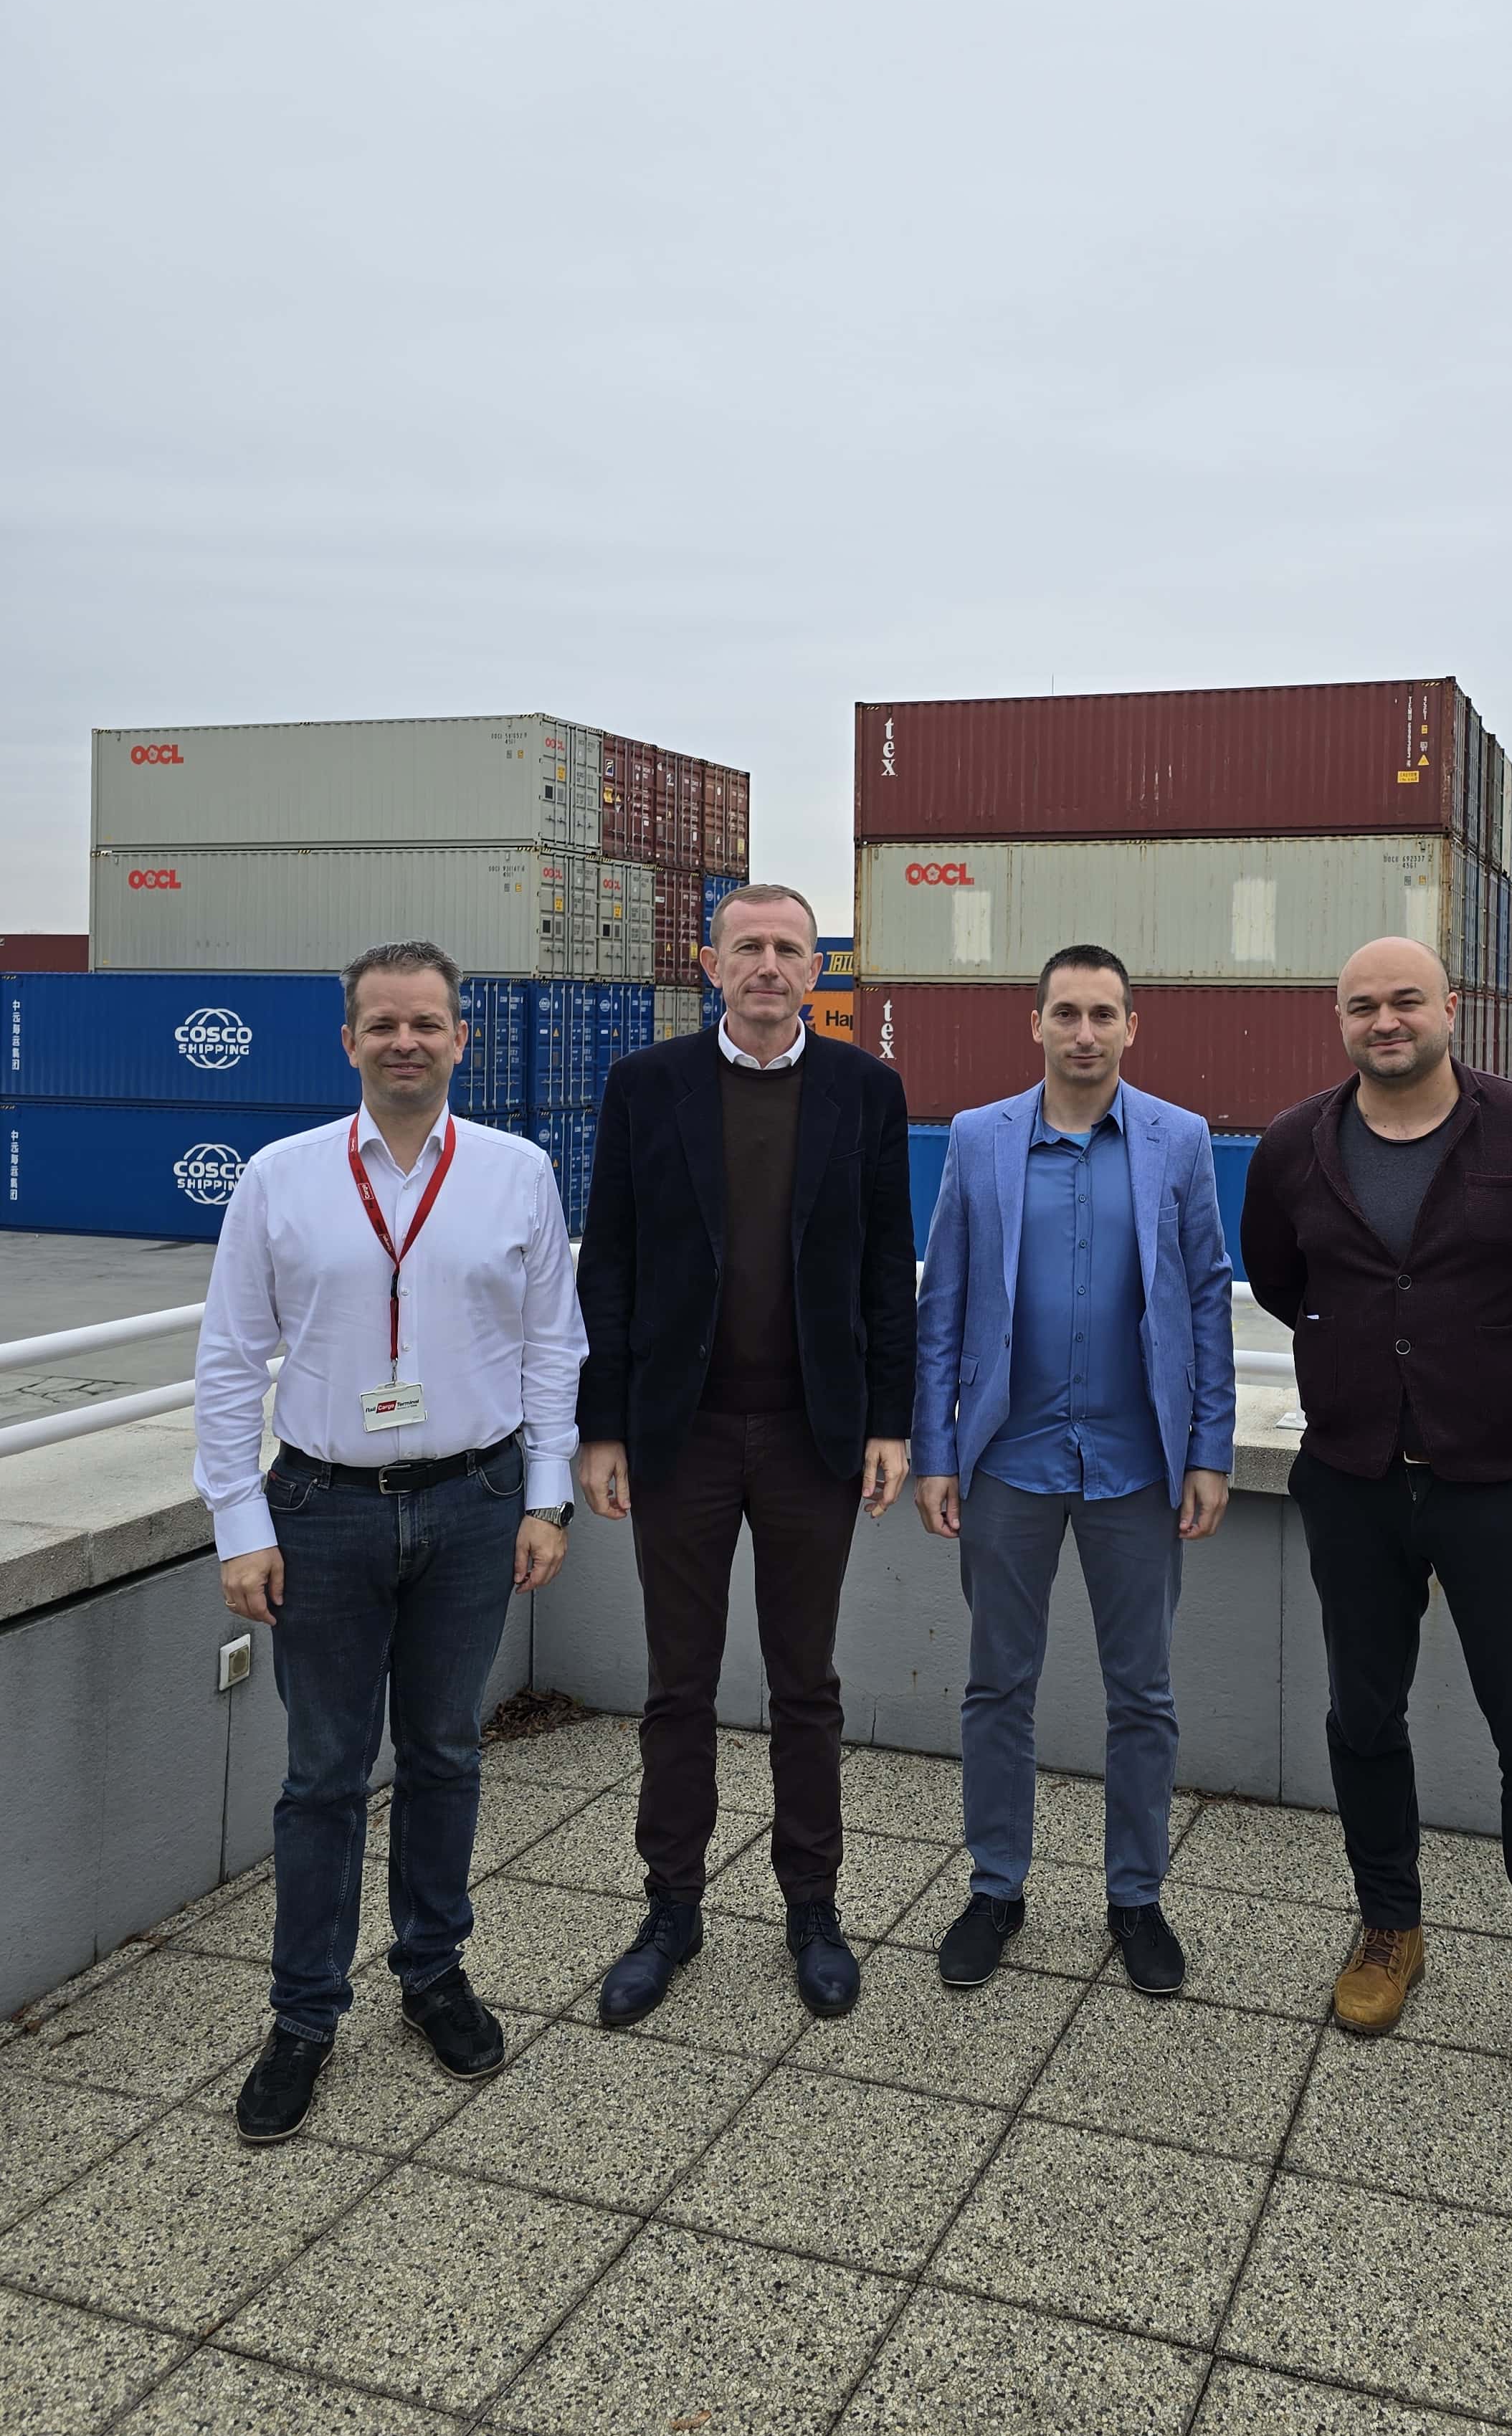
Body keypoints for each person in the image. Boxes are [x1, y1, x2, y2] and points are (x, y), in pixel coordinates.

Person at [194, 939, 584, 2143]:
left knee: (446, 1754)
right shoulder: (281, 1178)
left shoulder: (518, 1172)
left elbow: (552, 1347)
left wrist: (546, 1499)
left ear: (462, 1039)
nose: (405, 1042)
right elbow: (229, 1361)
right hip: (322, 1509)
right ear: (349, 1041)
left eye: (426, 1023)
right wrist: (239, 1524)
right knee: (322, 1775)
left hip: (474, 1504)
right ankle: (304, 2015)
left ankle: (432, 1973)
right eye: (383, 1025)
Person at [1240, 938, 1512, 2112]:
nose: (1386, 1021)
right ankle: (1389, 1925)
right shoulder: (1294, 1144)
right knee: (1363, 1714)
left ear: (1452, 1008)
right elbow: (1278, 1279)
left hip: (1497, 1480)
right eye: (1363, 1005)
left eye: (1406, 1000)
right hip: (1351, 1474)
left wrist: (1481, 1367)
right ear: (1339, 1020)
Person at [575, 883, 915, 2025]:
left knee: (805, 1684)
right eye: (748, 947)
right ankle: (670, 1907)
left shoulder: (866, 1091)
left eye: (789, 948)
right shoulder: (644, 1085)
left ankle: (812, 1908)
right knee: (677, 1684)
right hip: (684, 1436)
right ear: (709, 964)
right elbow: (610, 1263)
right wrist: (602, 1426)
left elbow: (887, 1267)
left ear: (816, 969)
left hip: (814, 1435)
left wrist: (890, 1421)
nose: (768, 965)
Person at [913, 946, 1235, 1994]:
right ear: (1037, 1024)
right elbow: (943, 1302)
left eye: (1103, 1014)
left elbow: (1206, 1298)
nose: (1084, 1033)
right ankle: (995, 1889)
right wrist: (935, 1451)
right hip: (1009, 1458)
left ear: (1132, 1026)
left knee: (1142, 1693)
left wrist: (1210, 1449)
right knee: (997, 1685)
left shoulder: (1181, 1139)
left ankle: (1136, 1897)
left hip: (1138, 1463)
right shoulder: (980, 1138)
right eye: (1066, 1013)